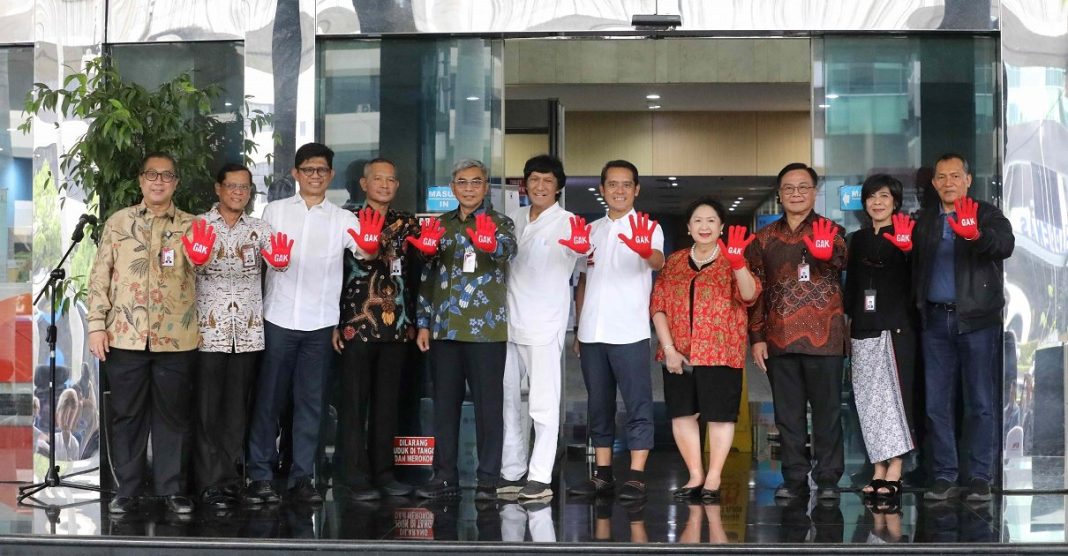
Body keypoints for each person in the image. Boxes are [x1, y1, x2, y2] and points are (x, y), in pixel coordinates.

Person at [246, 142, 378, 505]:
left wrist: (372, 245)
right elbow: (257, 254)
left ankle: (302, 477)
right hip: (277, 319)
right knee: (268, 402)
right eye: (308, 170)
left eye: (321, 170)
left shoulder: (342, 219)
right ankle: (260, 474)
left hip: (320, 325)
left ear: (330, 175)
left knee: (310, 405)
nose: (315, 176)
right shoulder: (273, 211)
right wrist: (270, 258)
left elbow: (366, 252)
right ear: (295, 173)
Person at [88, 152, 215, 514]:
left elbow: (203, 268)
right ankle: (126, 490)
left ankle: (171, 489)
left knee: (173, 417)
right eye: (151, 175)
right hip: (125, 336)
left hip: (176, 338)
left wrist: (202, 257)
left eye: (167, 176)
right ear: (141, 181)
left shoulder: (194, 226)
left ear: (176, 182)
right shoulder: (118, 222)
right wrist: (96, 326)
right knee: (127, 416)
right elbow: (99, 278)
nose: (158, 181)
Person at [332, 157, 444, 501]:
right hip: (355, 325)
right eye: (377, 179)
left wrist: (429, 254)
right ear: (364, 184)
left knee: (386, 404)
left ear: (397, 186)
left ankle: (384, 472)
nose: (384, 185)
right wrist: (334, 323)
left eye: (391, 179)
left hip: (397, 328)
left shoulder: (408, 223)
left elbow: (420, 272)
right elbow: (331, 274)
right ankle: (352, 474)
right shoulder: (345, 219)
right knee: (353, 403)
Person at [912, 153, 1014, 501]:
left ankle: (981, 476)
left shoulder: (988, 214)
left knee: (981, 401)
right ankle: (944, 475)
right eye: (941, 177)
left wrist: (976, 236)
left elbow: (1005, 246)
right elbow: (912, 266)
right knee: (936, 403)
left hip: (978, 321)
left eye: (955, 176)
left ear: (968, 180)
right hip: (936, 321)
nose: (948, 183)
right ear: (934, 183)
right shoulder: (924, 220)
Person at [414, 159, 517, 500]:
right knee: (445, 406)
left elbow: (509, 252)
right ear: (452, 187)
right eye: (462, 182)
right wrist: (423, 322)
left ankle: (488, 477)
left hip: (487, 331)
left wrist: (492, 245)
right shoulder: (438, 225)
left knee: (489, 407)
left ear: (486, 187)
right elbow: (427, 277)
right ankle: (444, 475)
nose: (469, 188)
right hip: (444, 330)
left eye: (476, 182)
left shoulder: (501, 223)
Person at [192, 163, 292, 509]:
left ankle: (230, 479)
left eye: (245, 187)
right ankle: (208, 483)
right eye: (232, 186)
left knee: (237, 410)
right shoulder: (199, 226)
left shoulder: (259, 229)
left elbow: (278, 262)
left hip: (248, 333)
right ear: (218, 188)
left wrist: (280, 261)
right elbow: (183, 267)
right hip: (209, 332)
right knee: (208, 411)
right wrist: (195, 259)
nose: (239, 192)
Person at [746, 162, 847, 500]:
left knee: (827, 413)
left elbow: (842, 261)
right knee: (788, 416)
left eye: (803, 187)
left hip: (825, 338)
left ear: (814, 192)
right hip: (779, 338)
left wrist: (828, 253)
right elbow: (755, 290)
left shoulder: (831, 230)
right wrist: (757, 337)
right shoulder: (763, 238)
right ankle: (794, 479)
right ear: (779, 193)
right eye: (789, 187)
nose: (796, 193)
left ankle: (829, 480)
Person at [650, 197, 760, 502]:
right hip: (679, 353)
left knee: (720, 416)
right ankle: (695, 475)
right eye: (698, 220)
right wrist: (669, 348)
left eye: (711, 220)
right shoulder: (674, 262)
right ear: (688, 227)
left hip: (721, 351)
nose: (704, 226)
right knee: (682, 414)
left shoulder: (733, 259)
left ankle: (713, 479)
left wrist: (738, 264)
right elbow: (657, 305)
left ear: (722, 227)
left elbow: (749, 296)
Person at [569, 160, 665, 501]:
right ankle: (603, 475)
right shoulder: (591, 230)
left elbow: (658, 261)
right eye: (613, 184)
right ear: (603, 189)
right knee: (599, 405)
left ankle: (637, 476)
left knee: (638, 403)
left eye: (627, 184)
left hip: (630, 332)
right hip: (593, 333)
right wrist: (579, 328)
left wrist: (645, 251)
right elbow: (582, 281)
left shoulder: (648, 227)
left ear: (636, 189)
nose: (620, 190)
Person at [499, 155, 589, 500]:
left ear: (558, 187)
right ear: (524, 184)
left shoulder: (568, 222)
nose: (540, 186)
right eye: (534, 179)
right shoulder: (514, 219)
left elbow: (583, 252)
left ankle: (539, 477)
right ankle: (511, 471)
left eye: (547, 181)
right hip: (508, 321)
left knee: (542, 403)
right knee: (509, 400)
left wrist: (583, 249)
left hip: (544, 322)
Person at [843, 174, 919, 501]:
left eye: (884, 196)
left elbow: (918, 278)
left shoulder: (907, 233)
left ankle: (896, 468)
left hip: (896, 327)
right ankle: (877, 467)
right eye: (872, 197)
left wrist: (908, 251)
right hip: (862, 327)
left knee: (895, 399)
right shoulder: (856, 239)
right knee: (868, 400)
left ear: (896, 201)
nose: (877, 202)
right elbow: (851, 287)